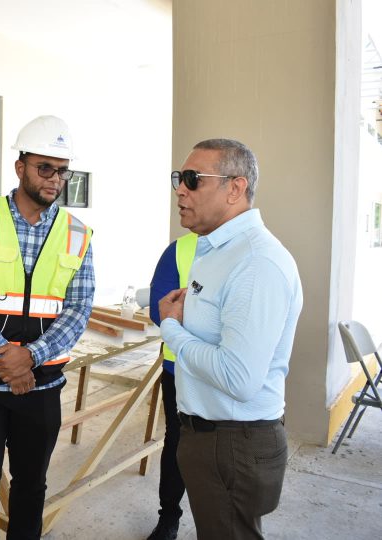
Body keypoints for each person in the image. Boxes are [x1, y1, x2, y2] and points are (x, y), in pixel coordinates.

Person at [0, 115, 95, 539]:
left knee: (32, 488)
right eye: (44, 167)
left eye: (62, 170)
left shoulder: (77, 233)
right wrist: (4, 356)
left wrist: (30, 357)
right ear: (20, 167)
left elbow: (79, 307)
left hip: (42, 388)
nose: (54, 179)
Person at [158, 139, 303, 540]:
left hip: (231, 443)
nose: (180, 190)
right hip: (211, 437)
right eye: (179, 178)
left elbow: (238, 378)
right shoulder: (218, 249)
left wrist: (171, 327)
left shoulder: (256, 262)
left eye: (192, 179)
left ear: (235, 189)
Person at [145, 231, 197, 540]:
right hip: (179, 369)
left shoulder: (249, 248)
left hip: (225, 373)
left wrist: (185, 308)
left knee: (222, 451)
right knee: (177, 443)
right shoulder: (179, 250)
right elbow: (158, 310)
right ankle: (169, 518)